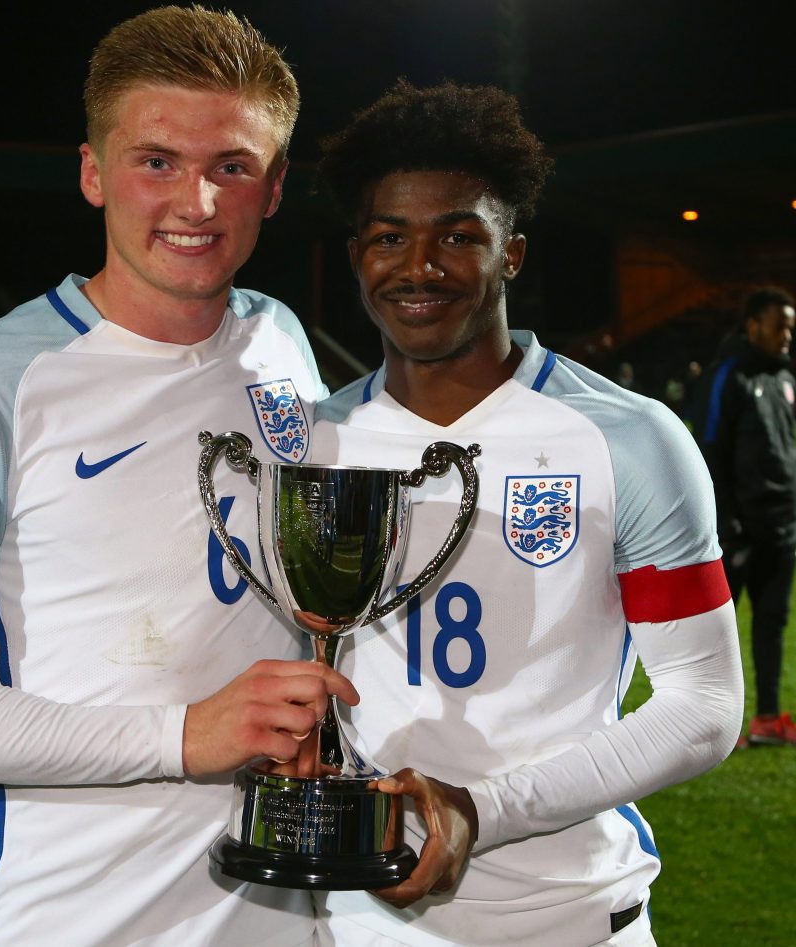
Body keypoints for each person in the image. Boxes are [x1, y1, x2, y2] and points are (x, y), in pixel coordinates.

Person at [0, 7, 359, 946]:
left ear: (276, 187)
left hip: (285, 915)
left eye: (232, 167)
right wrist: (183, 733)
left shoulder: (281, 341)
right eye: (157, 160)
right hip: (78, 915)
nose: (197, 202)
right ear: (93, 173)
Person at [307, 80, 744, 947]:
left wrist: (485, 809)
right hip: (360, 915)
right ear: (358, 253)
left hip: (572, 916)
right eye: (391, 236)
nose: (419, 265)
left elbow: (705, 703)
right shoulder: (316, 443)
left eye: (458, 236)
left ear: (511, 254)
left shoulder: (628, 439)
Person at [695, 286, 796, 746]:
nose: (787, 335)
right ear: (754, 324)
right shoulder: (727, 376)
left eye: (790, 327)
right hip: (739, 530)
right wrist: (728, 523)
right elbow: (709, 451)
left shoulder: (784, 379)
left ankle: (769, 718)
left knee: (773, 620)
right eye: (780, 326)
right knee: (722, 625)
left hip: (781, 525)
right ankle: (717, 721)